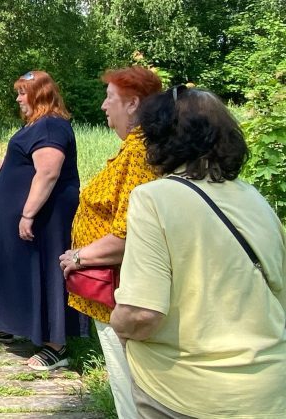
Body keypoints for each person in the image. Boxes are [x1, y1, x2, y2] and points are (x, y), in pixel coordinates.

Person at [111, 87, 286, 417]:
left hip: (187, 391)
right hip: (269, 388)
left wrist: (114, 323)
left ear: (158, 136)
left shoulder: (153, 199)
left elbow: (141, 313)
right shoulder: (255, 199)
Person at [57, 67, 161, 418]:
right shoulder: (132, 149)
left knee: (129, 379)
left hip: (122, 293)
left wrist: (79, 257)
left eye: (111, 99)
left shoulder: (138, 155)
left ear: (132, 104)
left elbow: (130, 234)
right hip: (114, 293)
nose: (103, 106)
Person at [0, 70, 83, 371]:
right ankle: (7, 323)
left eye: (23, 93)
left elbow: (48, 172)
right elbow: (21, 158)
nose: (19, 99)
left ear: (40, 95)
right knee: (14, 267)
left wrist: (28, 213)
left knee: (45, 270)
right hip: (24, 216)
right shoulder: (36, 126)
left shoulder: (49, 126)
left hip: (46, 217)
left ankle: (55, 346)